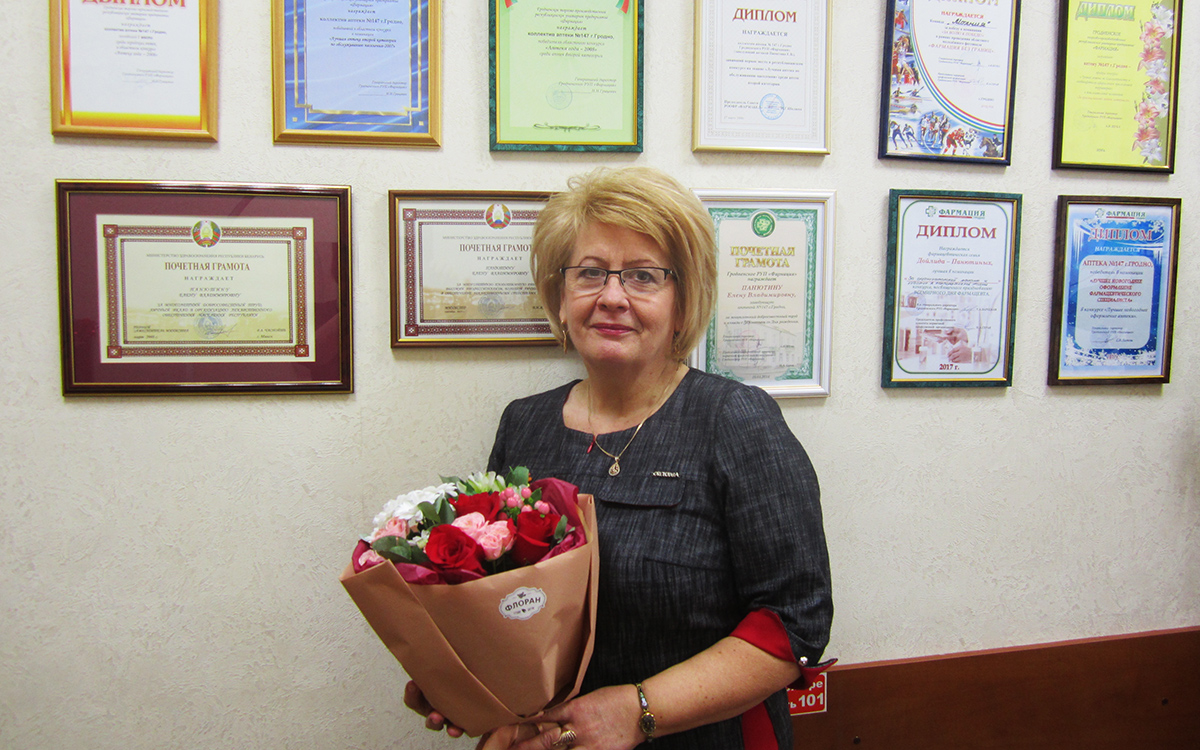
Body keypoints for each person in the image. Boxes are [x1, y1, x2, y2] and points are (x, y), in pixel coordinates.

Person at [406, 166, 833, 750]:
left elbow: (794, 621)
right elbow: (499, 598)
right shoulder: (524, 424)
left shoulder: (735, 419)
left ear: (682, 303)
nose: (611, 296)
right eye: (589, 273)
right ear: (561, 299)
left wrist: (638, 712)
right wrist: (464, 678)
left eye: (643, 276)